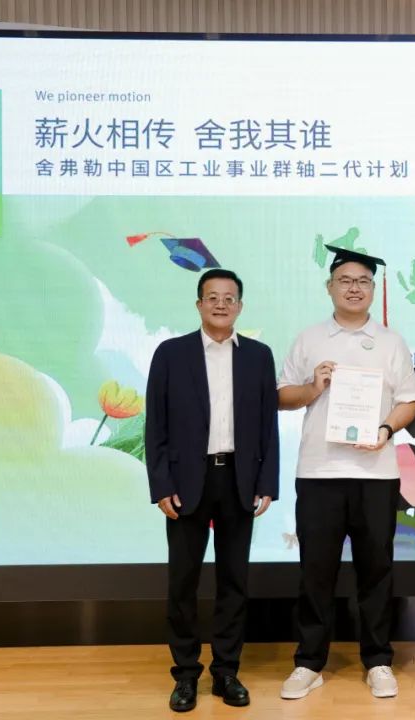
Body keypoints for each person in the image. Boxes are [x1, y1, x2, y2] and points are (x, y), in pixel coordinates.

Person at [277, 245, 415, 700]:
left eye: (362, 281)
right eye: (345, 281)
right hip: (318, 471)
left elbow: (410, 400)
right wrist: (313, 386)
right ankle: (308, 663)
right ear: (330, 287)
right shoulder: (309, 339)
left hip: (376, 473)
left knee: (375, 570)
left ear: (372, 289)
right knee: (315, 571)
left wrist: (385, 429)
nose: (354, 288)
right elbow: (282, 396)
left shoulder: (391, 341)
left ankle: (378, 660)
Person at [145, 268, 280, 712]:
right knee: (182, 581)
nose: (221, 304)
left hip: (238, 479)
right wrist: (161, 485)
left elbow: (267, 425)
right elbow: (156, 425)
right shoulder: (171, 353)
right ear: (199, 304)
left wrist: (267, 482)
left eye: (229, 297)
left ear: (240, 306)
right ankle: (185, 674)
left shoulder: (258, 356)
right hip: (187, 482)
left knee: (233, 581)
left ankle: (226, 671)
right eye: (212, 297)